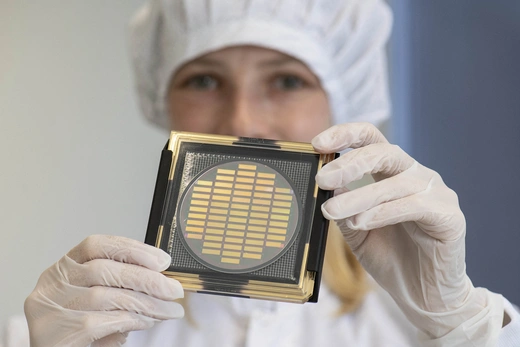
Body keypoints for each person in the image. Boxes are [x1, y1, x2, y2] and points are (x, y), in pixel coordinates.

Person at [18, 0, 520, 346]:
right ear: (163, 104)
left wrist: (462, 328)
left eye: (286, 80)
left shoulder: (423, 328)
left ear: (341, 107)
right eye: (204, 79)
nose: (242, 121)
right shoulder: (76, 325)